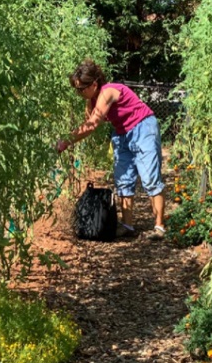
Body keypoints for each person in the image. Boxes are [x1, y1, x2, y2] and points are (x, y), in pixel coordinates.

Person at [56, 58, 166, 239]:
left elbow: (92, 124)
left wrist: (66, 140)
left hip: (143, 127)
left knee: (150, 178)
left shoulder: (107, 92)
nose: (79, 92)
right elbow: (88, 120)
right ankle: (127, 226)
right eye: (76, 89)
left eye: (81, 88)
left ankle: (159, 227)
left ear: (94, 84)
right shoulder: (91, 99)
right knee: (123, 179)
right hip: (122, 133)